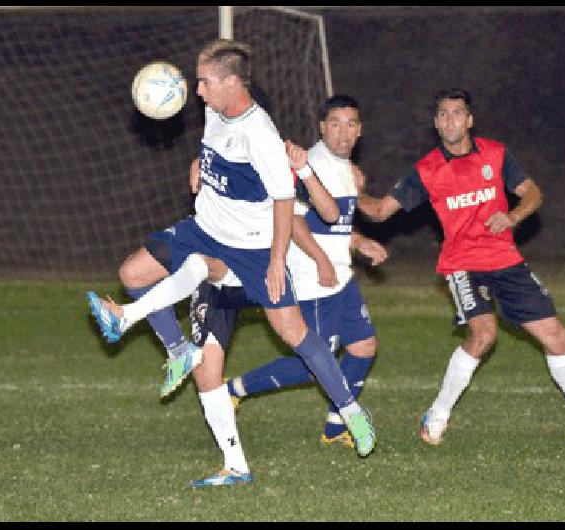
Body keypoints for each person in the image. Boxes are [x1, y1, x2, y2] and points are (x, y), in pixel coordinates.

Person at [87, 39, 377, 487]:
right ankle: (225, 445)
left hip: (253, 248)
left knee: (294, 333)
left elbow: (284, 202)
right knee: (134, 274)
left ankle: (352, 411)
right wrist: (198, 163)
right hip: (205, 230)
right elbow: (215, 149)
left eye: (204, 81)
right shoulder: (214, 111)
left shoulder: (259, 134)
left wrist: (278, 259)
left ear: (229, 82)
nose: (197, 91)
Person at [356, 88, 565, 445]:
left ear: (469, 120)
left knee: (557, 336)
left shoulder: (496, 154)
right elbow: (380, 211)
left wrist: (513, 216)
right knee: (484, 334)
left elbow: (533, 193)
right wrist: (347, 193)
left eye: (457, 113)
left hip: (505, 260)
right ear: (435, 123)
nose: (450, 120)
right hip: (462, 265)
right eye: (443, 114)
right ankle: (438, 413)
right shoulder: (427, 170)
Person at [217, 95, 388, 448]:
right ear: (323, 127)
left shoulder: (345, 169)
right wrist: (321, 260)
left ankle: (335, 426)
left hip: (341, 279)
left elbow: (333, 224)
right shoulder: (311, 165)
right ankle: (234, 389)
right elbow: (292, 221)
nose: (343, 132)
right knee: (314, 362)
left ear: (360, 130)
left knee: (363, 346)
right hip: (313, 280)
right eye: (335, 124)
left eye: (351, 124)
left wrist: (358, 243)